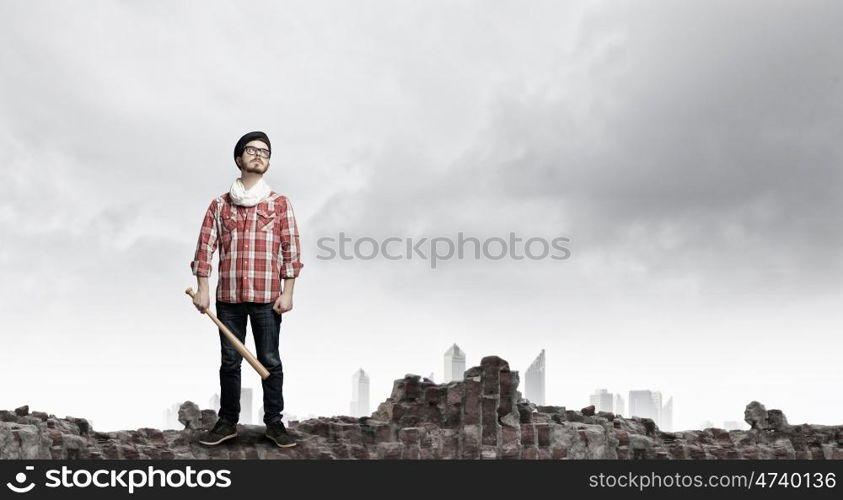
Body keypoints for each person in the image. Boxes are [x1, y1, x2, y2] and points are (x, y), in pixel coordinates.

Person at [190, 131, 302, 448]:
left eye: (265, 152)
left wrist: (288, 291)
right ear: (239, 159)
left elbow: (291, 250)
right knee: (230, 362)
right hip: (228, 301)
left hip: (268, 300)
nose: (258, 155)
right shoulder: (219, 205)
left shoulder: (279, 204)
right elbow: (204, 248)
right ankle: (227, 422)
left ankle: (275, 424)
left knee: (270, 361)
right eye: (251, 150)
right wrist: (203, 289)